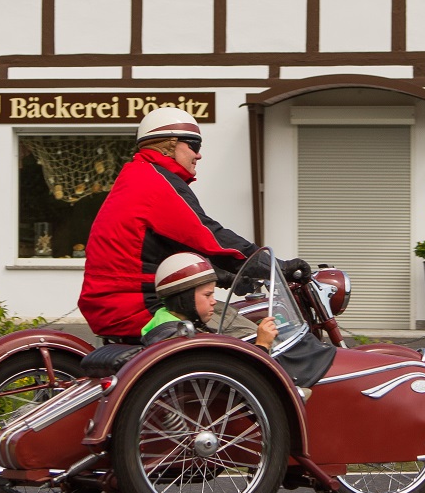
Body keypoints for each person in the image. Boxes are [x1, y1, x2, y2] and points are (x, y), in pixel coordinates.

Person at [77, 106, 309, 343]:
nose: (199, 155)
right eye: (194, 146)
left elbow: (176, 253)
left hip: (116, 301)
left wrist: (230, 277)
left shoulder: (139, 176)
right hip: (138, 306)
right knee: (250, 340)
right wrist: (275, 266)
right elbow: (211, 238)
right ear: (169, 144)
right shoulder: (156, 182)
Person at [140, 252, 278, 351]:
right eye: (207, 295)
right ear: (185, 299)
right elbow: (227, 377)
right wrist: (262, 345)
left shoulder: (165, 324)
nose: (213, 302)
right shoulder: (179, 340)